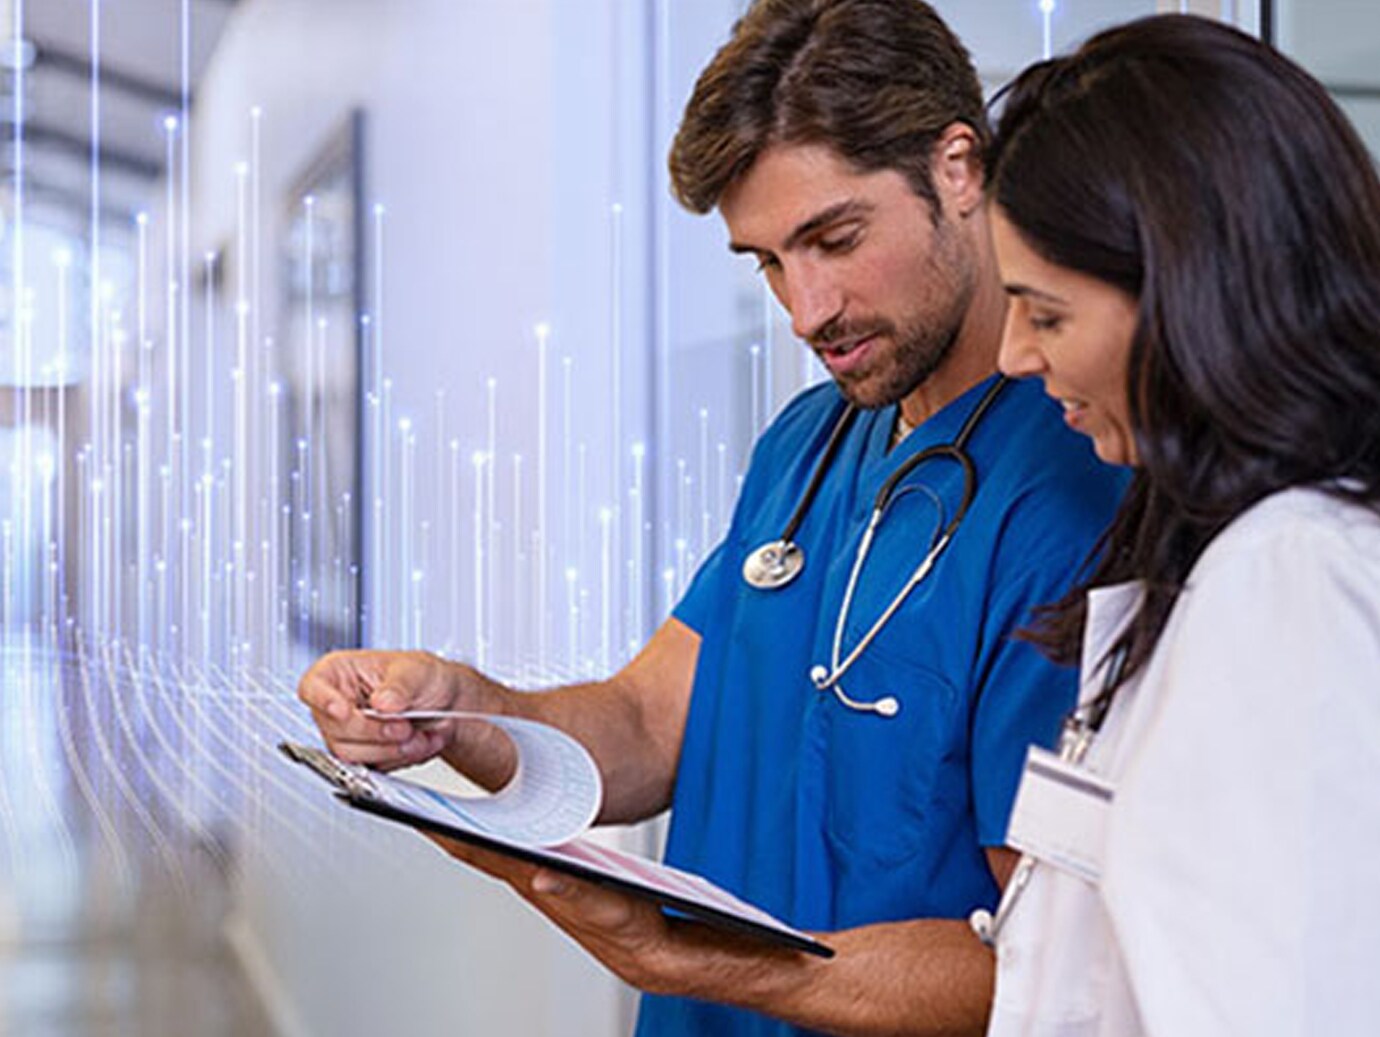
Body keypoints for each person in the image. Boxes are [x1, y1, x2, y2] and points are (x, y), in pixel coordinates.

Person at [299, 2, 1124, 1033]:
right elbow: (648, 725)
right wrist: (458, 713)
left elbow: (1057, 962)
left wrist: (701, 958)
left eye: (835, 238)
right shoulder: (808, 444)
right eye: (769, 260)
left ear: (959, 168)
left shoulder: (1080, 482)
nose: (805, 309)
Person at [983, 14, 1380, 1035]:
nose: (1014, 356)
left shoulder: (1291, 573)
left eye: (1047, 312)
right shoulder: (1223, 555)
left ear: (1185, 293)